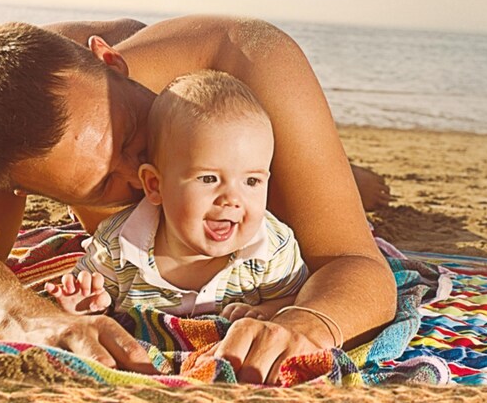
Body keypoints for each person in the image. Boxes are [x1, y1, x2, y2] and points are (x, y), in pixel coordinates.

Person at [0, 15, 397, 384]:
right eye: (105, 185)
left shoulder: (249, 57)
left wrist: (306, 324)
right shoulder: (4, 122)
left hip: (235, 115)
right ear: (27, 192)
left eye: (130, 134)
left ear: (110, 63)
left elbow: (353, 260)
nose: (142, 174)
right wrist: (33, 321)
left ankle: (345, 175)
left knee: (347, 193)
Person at [47, 70, 314, 330]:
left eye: (252, 181)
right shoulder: (118, 247)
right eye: (209, 179)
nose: (232, 199)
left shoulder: (271, 248)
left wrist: (263, 313)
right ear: (155, 185)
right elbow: (89, 302)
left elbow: (298, 301)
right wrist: (86, 305)